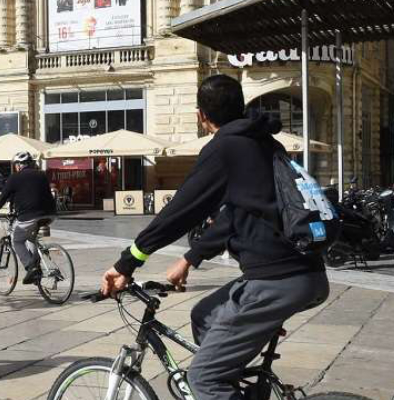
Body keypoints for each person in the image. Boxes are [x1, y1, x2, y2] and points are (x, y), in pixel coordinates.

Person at [99, 75, 329, 400]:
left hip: (276, 279)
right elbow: (235, 215)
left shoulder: (225, 146)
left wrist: (128, 262)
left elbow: (182, 209)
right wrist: (190, 258)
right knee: (204, 315)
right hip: (301, 272)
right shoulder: (263, 142)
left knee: (204, 380)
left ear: (201, 116)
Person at [0, 152, 57, 284]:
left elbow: (2, 197)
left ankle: (32, 268)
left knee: (17, 240)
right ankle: (36, 265)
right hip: (50, 214)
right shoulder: (41, 175)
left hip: (30, 216)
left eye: (16, 165)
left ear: (19, 165)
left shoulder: (15, 178)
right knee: (31, 238)